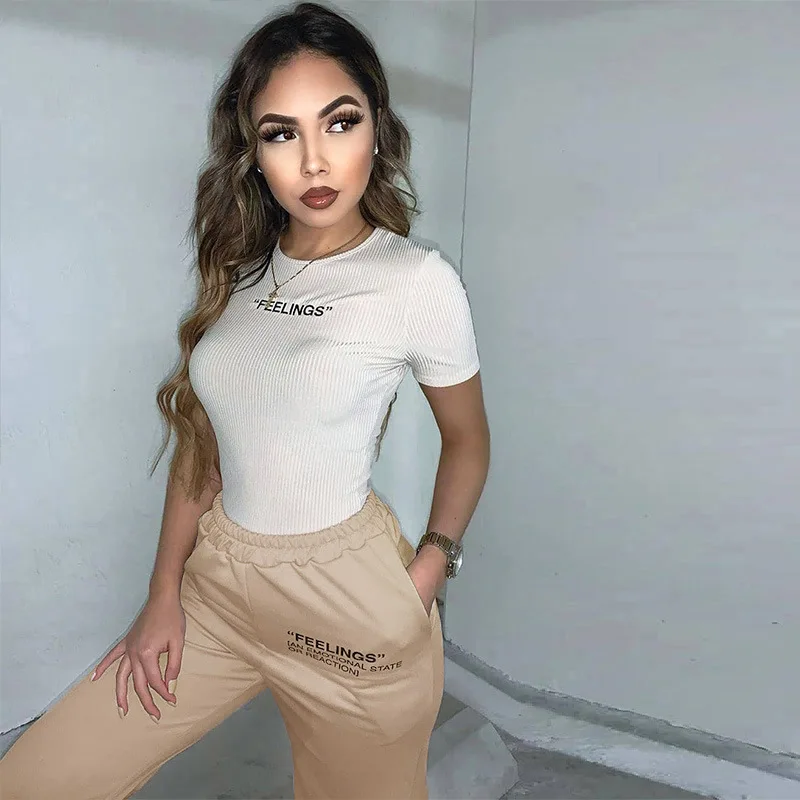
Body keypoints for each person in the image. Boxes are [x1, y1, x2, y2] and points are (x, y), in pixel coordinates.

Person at [0, 2, 490, 798]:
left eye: (339, 122)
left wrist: (432, 566)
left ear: (377, 127)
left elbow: (467, 440)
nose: (314, 161)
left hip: (349, 605)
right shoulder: (242, 272)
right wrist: (162, 593)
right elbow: (202, 444)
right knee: (37, 779)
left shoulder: (416, 281)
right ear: (254, 153)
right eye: (280, 133)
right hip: (218, 587)